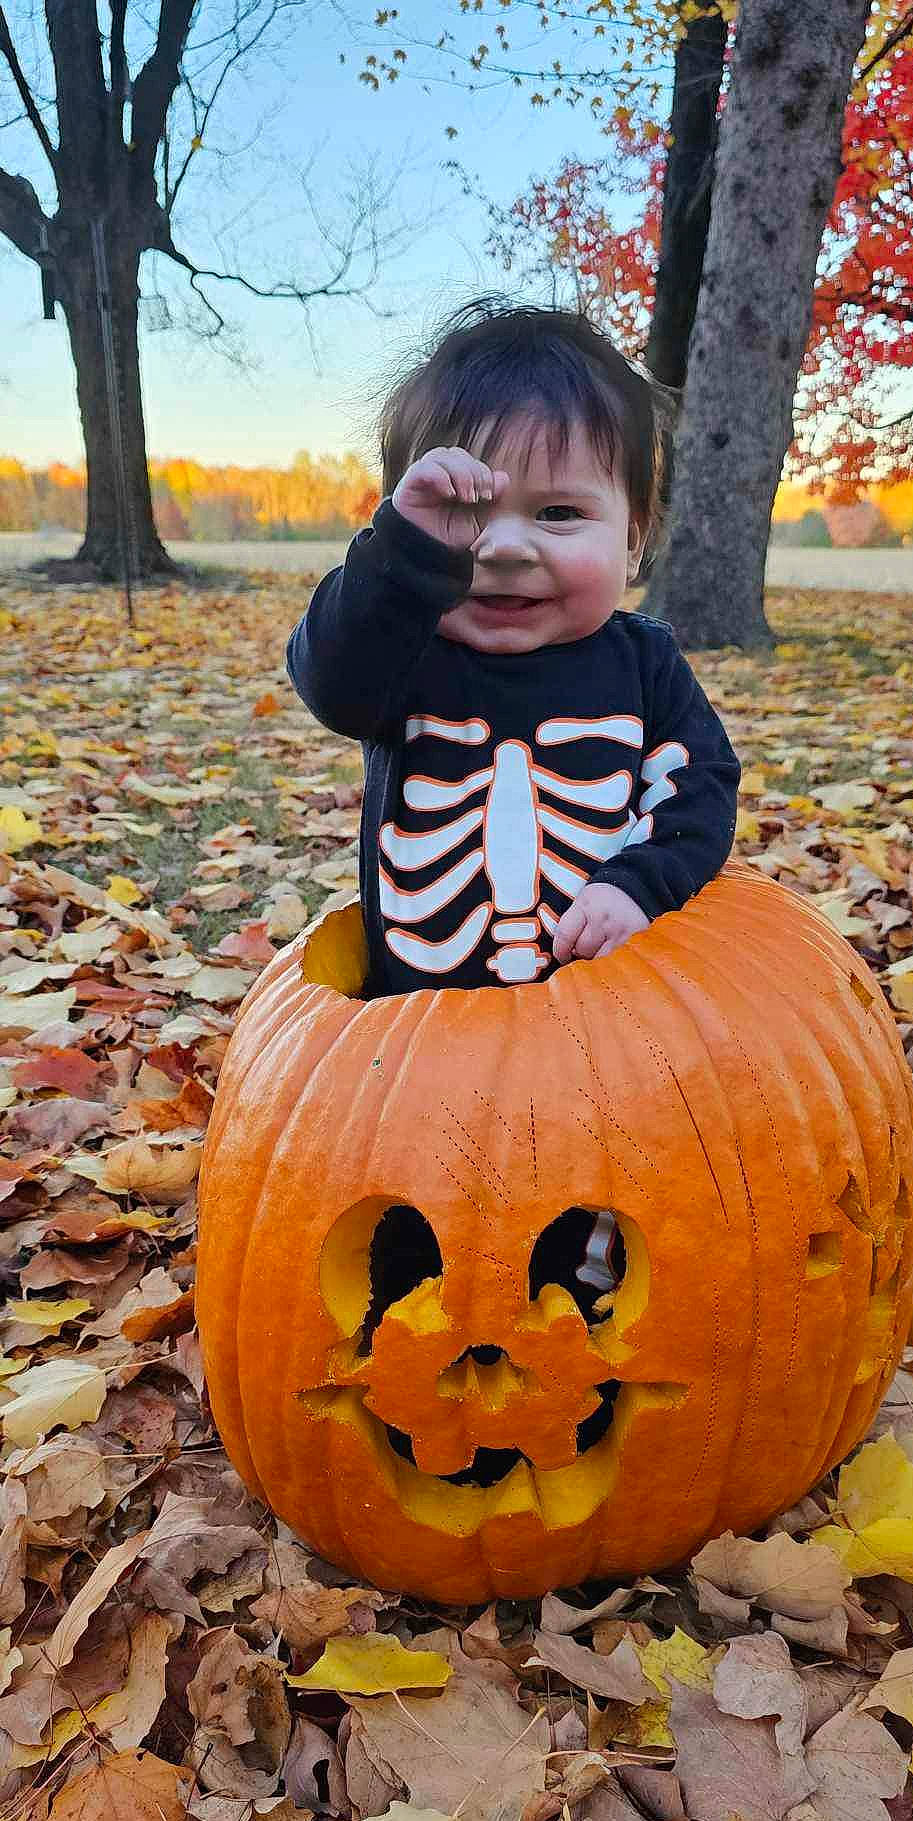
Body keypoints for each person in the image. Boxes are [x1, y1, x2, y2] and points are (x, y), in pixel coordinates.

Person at [286, 298, 741, 1344]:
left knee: (600, 1207)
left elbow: (696, 787)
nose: (501, 550)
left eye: (558, 514)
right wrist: (402, 560)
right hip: (413, 1050)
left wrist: (637, 882)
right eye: (464, 520)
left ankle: (585, 1324)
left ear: (636, 533)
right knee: (408, 1221)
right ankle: (400, 1332)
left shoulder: (644, 666)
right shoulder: (399, 655)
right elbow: (327, 675)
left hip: (598, 1046)